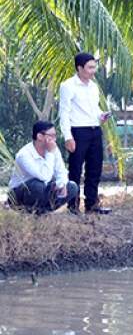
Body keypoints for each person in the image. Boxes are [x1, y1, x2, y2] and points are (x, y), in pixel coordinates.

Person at [59, 52, 112, 215]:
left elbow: (93, 108)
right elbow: (64, 112)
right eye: (90, 67)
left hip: (95, 130)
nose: (93, 71)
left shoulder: (93, 86)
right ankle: (73, 206)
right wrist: (68, 136)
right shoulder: (68, 86)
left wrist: (101, 115)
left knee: (95, 168)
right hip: (78, 131)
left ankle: (92, 204)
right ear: (79, 68)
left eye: (94, 67)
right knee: (75, 169)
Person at [7, 121, 78, 214]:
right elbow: (44, 177)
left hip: (41, 190)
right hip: (18, 196)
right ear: (39, 136)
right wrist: (50, 153)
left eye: (54, 136)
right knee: (37, 184)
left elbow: (61, 171)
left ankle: (41, 212)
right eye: (51, 135)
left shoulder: (54, 149)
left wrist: (62, 184)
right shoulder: (24, 155)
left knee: (72, 187)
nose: (54, 139)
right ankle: (27, 213)